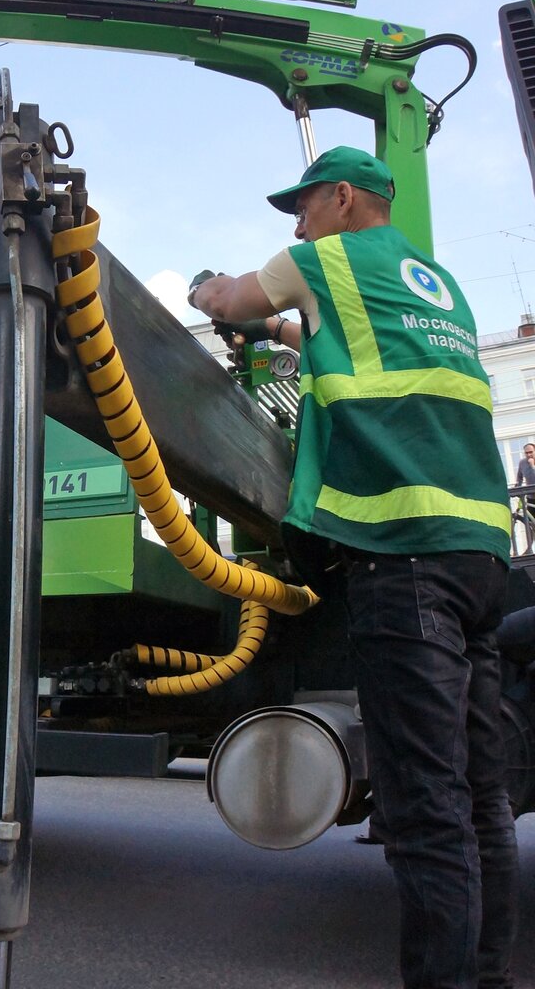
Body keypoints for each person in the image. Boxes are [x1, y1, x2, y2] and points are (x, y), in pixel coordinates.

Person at [189, 145, 518, 989]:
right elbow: (322, 335)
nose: (296, 225)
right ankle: (482, 974)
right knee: (480, 796)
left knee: (424, 803)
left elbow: (234, 297)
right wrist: (278, 331)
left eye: (303, 206)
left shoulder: (319, 259)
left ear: (342, 198)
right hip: (480, 557)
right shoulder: (432, 282)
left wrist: (206, 291)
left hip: (402, 559)